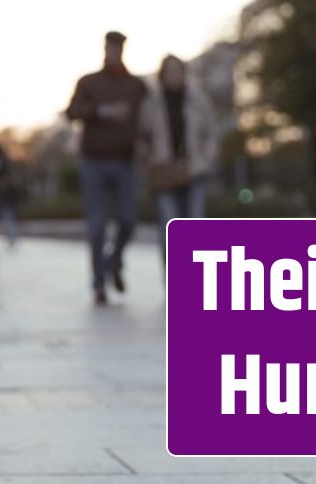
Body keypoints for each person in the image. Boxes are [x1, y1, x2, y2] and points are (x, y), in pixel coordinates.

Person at [65, 30, 147, 305]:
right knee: (97, 224)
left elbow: (147, 119)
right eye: (110, 47)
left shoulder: (136, 85)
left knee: (128, 220)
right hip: (94, 161)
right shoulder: (88, 82)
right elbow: (72, 111)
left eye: (118, 48)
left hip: (125, 161)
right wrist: (102, 111)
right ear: (104, 49)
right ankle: (99, 282)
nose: (113, 52)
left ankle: (111, 263)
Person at [140, 54, 217, 275]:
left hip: (194, 172)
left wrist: (205, 159)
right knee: (169, 228)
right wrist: (149, 159)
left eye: (177, 71)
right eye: (169, 71)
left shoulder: (197, 99)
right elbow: (142, 137)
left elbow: (210, 133)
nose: (174, 76)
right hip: (164, 173)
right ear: (162, 75)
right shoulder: (151, 103)